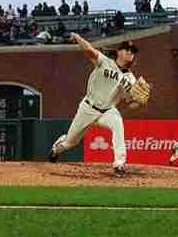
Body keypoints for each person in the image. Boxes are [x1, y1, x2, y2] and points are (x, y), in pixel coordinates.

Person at [49, 36, 148, 178]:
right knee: (70, 142)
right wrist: (78, 38)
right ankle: (56, 149)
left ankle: (119, 164)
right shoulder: (105, 62)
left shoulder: (131, 79)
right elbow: (89, 49)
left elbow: (130, 104)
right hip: (88, 108)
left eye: (132, 51)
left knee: (118, 125)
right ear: (119, 52)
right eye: (127, 49)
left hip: (108, 111)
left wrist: (140, 102)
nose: (130, 53)